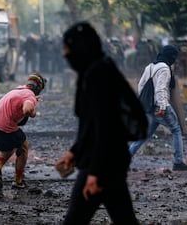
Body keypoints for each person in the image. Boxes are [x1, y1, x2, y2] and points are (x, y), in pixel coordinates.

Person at [56, 22, 139, 224]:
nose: (65, 53)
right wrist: (74, 151)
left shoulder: (97, 74)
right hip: (110, 161)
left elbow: (105, 126)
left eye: (68, 47)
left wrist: (95, 173)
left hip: (101, 163)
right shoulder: (94, 70)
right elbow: (91, 123)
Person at [129, 45, 187, 171]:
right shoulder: (164, 68)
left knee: (144, 135)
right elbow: (161, 88)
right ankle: (178, 162)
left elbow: (141, 85)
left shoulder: (150, 66)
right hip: (161, 106)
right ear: (171, 56)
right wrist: (162, 106)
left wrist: (148, 103)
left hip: (151, 106)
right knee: (176, 129)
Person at [0, 72, 46, 189]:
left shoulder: (17, 90)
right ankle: (18, 181)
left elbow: (21, 102)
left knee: (10, 147)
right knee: (23, 145)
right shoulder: (29, 96)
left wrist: (32, 100)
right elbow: (27, 110)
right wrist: (33, 112)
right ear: (38, 88)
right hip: (4, 128)